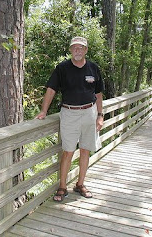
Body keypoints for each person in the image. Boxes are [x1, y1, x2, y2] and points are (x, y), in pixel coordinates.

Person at [36, 36, 105, 202]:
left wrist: (100, 115)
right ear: (70, 50)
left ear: (86, 50)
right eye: (75, 48)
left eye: (81, 48)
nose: (78, 51)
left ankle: (80, 184)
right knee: (68, 151)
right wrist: (44, 111)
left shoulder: (93, 68)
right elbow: (51, 90)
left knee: (85, 150)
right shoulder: (62, 68)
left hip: (90, 112)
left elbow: (99, 93)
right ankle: (62, 187)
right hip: (69, 113)